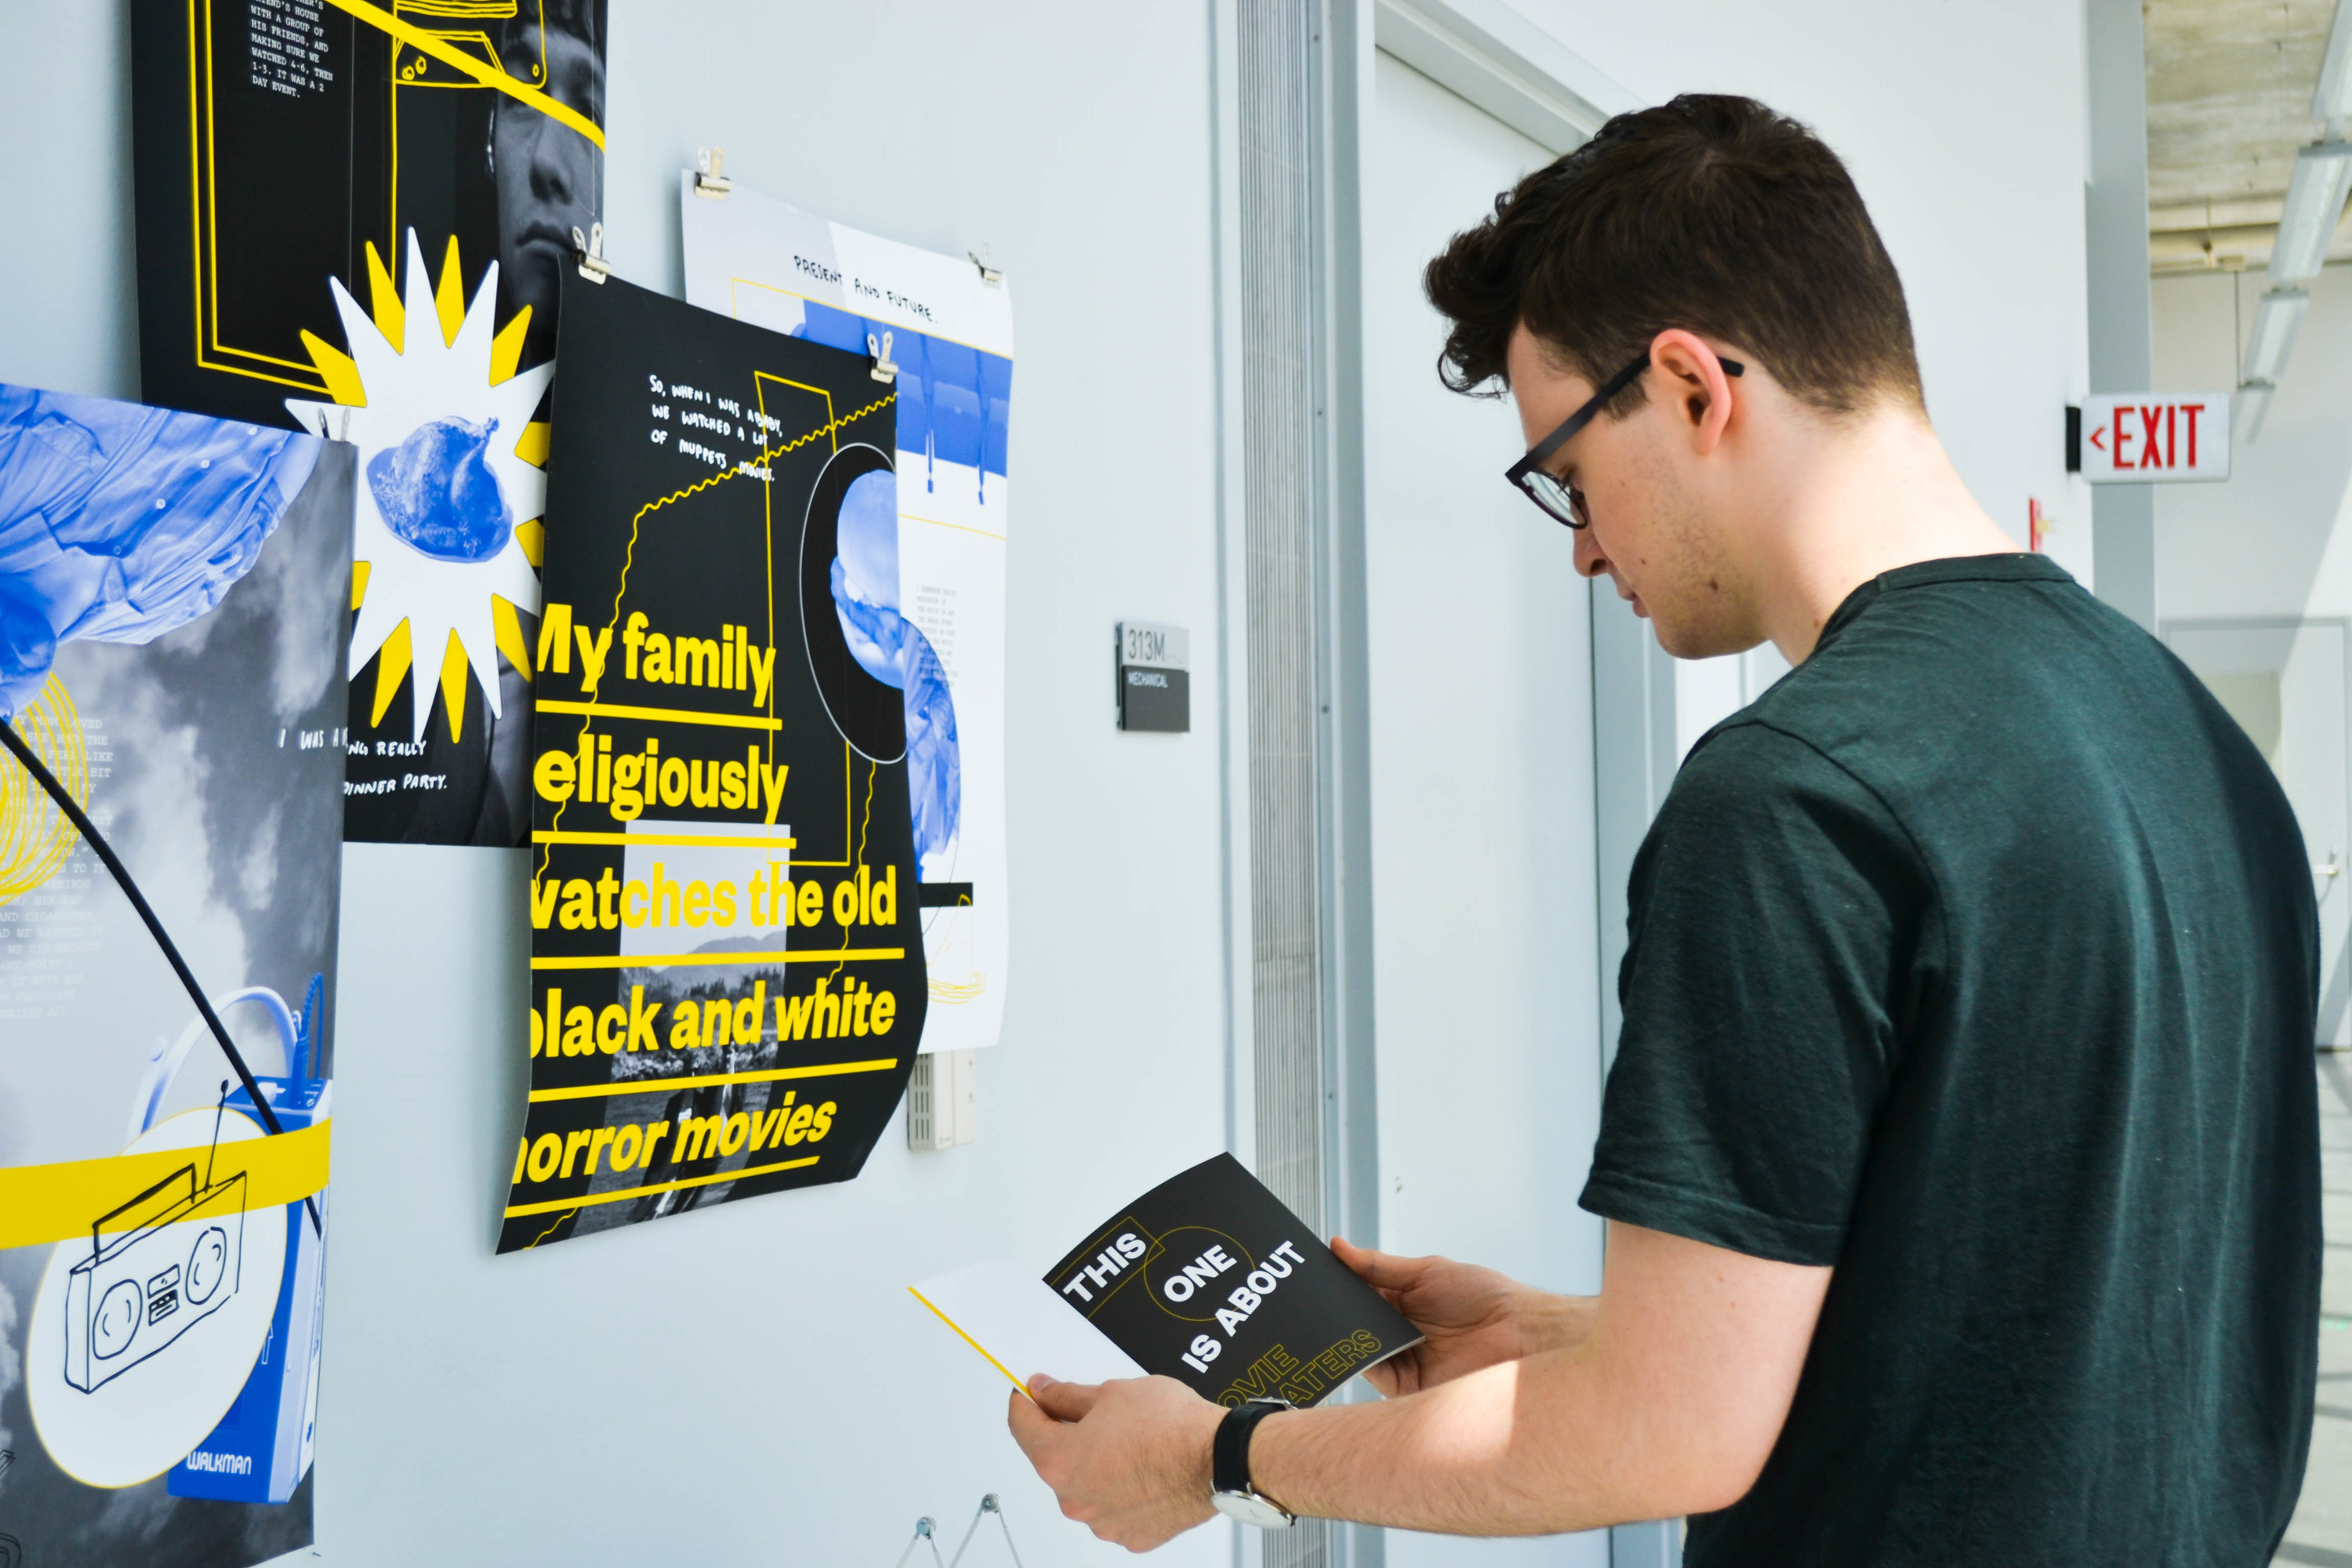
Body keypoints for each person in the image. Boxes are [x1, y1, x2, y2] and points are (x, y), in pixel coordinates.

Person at [1008, 95, 2321, 1565]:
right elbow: (2035, 1304)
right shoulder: (2185, 728)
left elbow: (1667, 1436)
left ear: (1694, 387)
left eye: (1568, 476)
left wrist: (1217, 1455)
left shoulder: (1797, 798)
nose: (1581, 548)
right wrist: (1569, 1335)